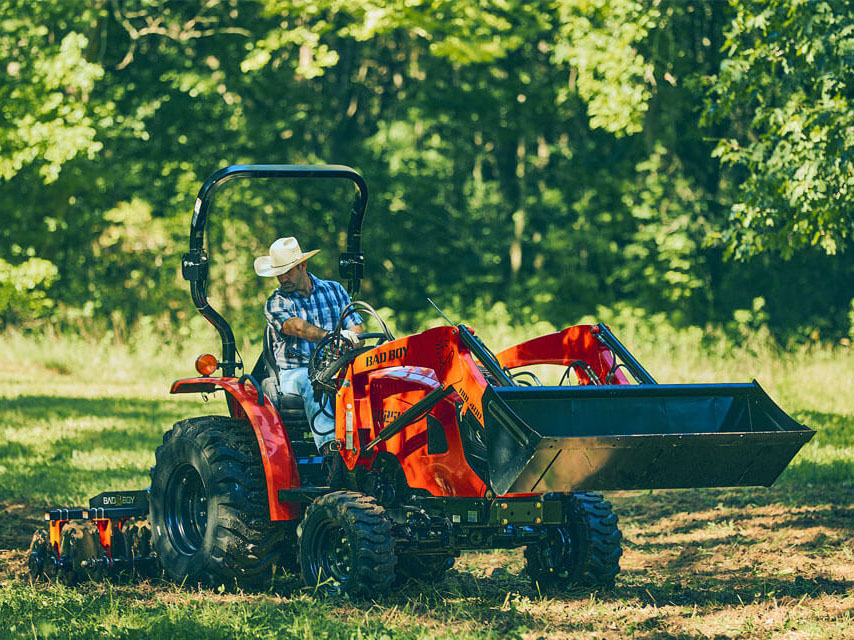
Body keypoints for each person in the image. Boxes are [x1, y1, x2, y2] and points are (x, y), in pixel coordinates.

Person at [255, 237, 363, 454]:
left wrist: (352, 339)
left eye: (288, 271)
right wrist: (333, 338)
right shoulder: (277, 302)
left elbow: (357, 328)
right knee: (313, 382)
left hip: (339, 366)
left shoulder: (334, 290)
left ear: (302, 265)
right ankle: (331, 452)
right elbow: (297, 327)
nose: (282, 278)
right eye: (278, 272)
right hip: (296, 372)